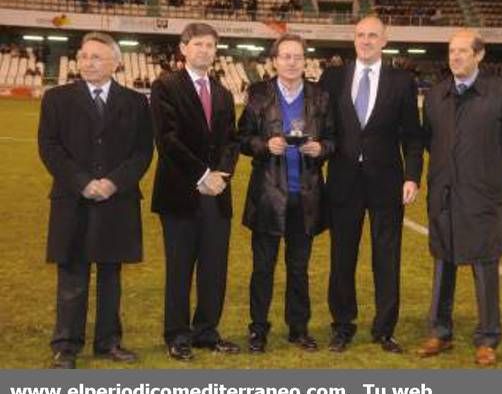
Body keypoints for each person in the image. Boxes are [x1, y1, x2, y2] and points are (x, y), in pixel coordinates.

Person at [417, 29, 502, 366]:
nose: (455, 57)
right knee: (443, 264)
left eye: (463, 51)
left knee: (484, 267)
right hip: (444, 197)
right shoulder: (437, 95)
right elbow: (431, 142)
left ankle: (487, 338)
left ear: (479, 55)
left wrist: (491, 172)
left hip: (483, 200)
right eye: (451, 51)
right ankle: (439, 332)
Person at [38, 32, 154, 369]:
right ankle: (66, 346)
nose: (88, 62)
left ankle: (109, 342)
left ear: (116, 63)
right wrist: (82, 182)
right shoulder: (56, 98)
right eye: (84, 56)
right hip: (72, 199)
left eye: (97, 57)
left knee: (110, 275)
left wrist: (114, 182)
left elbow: (143, 151)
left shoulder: (135, 102)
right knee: (72, 275)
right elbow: (49, 147)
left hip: (117, 200)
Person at [319, 15, 424, 353]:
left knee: (387, 258)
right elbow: (320, 126)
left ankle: (384, 329)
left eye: (373, 36)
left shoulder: (402, 81)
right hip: (343, 182)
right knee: (342, 258)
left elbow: (413, 135)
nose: (366, 41)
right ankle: (342, 326)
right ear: (354, 39)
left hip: (387, 183)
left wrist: (412, 176)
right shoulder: (333, 78)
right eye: (361, 35)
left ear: (384, 40)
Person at [238, 34, 335, 353]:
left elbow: (334, 141)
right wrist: (264, 146)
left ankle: (298, 328)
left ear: (304, 60)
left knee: (298, 269)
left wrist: (321, 148)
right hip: (268, 195)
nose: (292, 62)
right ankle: (258, 330)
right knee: (263, 268)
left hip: (305, 197)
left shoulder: (320, 97)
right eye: (286, 56)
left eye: (297, 56)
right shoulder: (258, 95)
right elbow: (242, 138)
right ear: (274, 61)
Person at [150, 22, 240, 361]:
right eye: (198, 44)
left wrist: (222, 176)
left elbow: (231, 141)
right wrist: (202, 174)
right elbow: (167, 140)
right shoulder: (165, 86)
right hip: (180, 194)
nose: (205, 50)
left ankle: (206, 332)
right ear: (184, 48)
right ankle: (177, 335)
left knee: (214, 268)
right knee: (180, 267)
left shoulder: (223, 92)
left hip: (217, 194)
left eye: (211, 45)